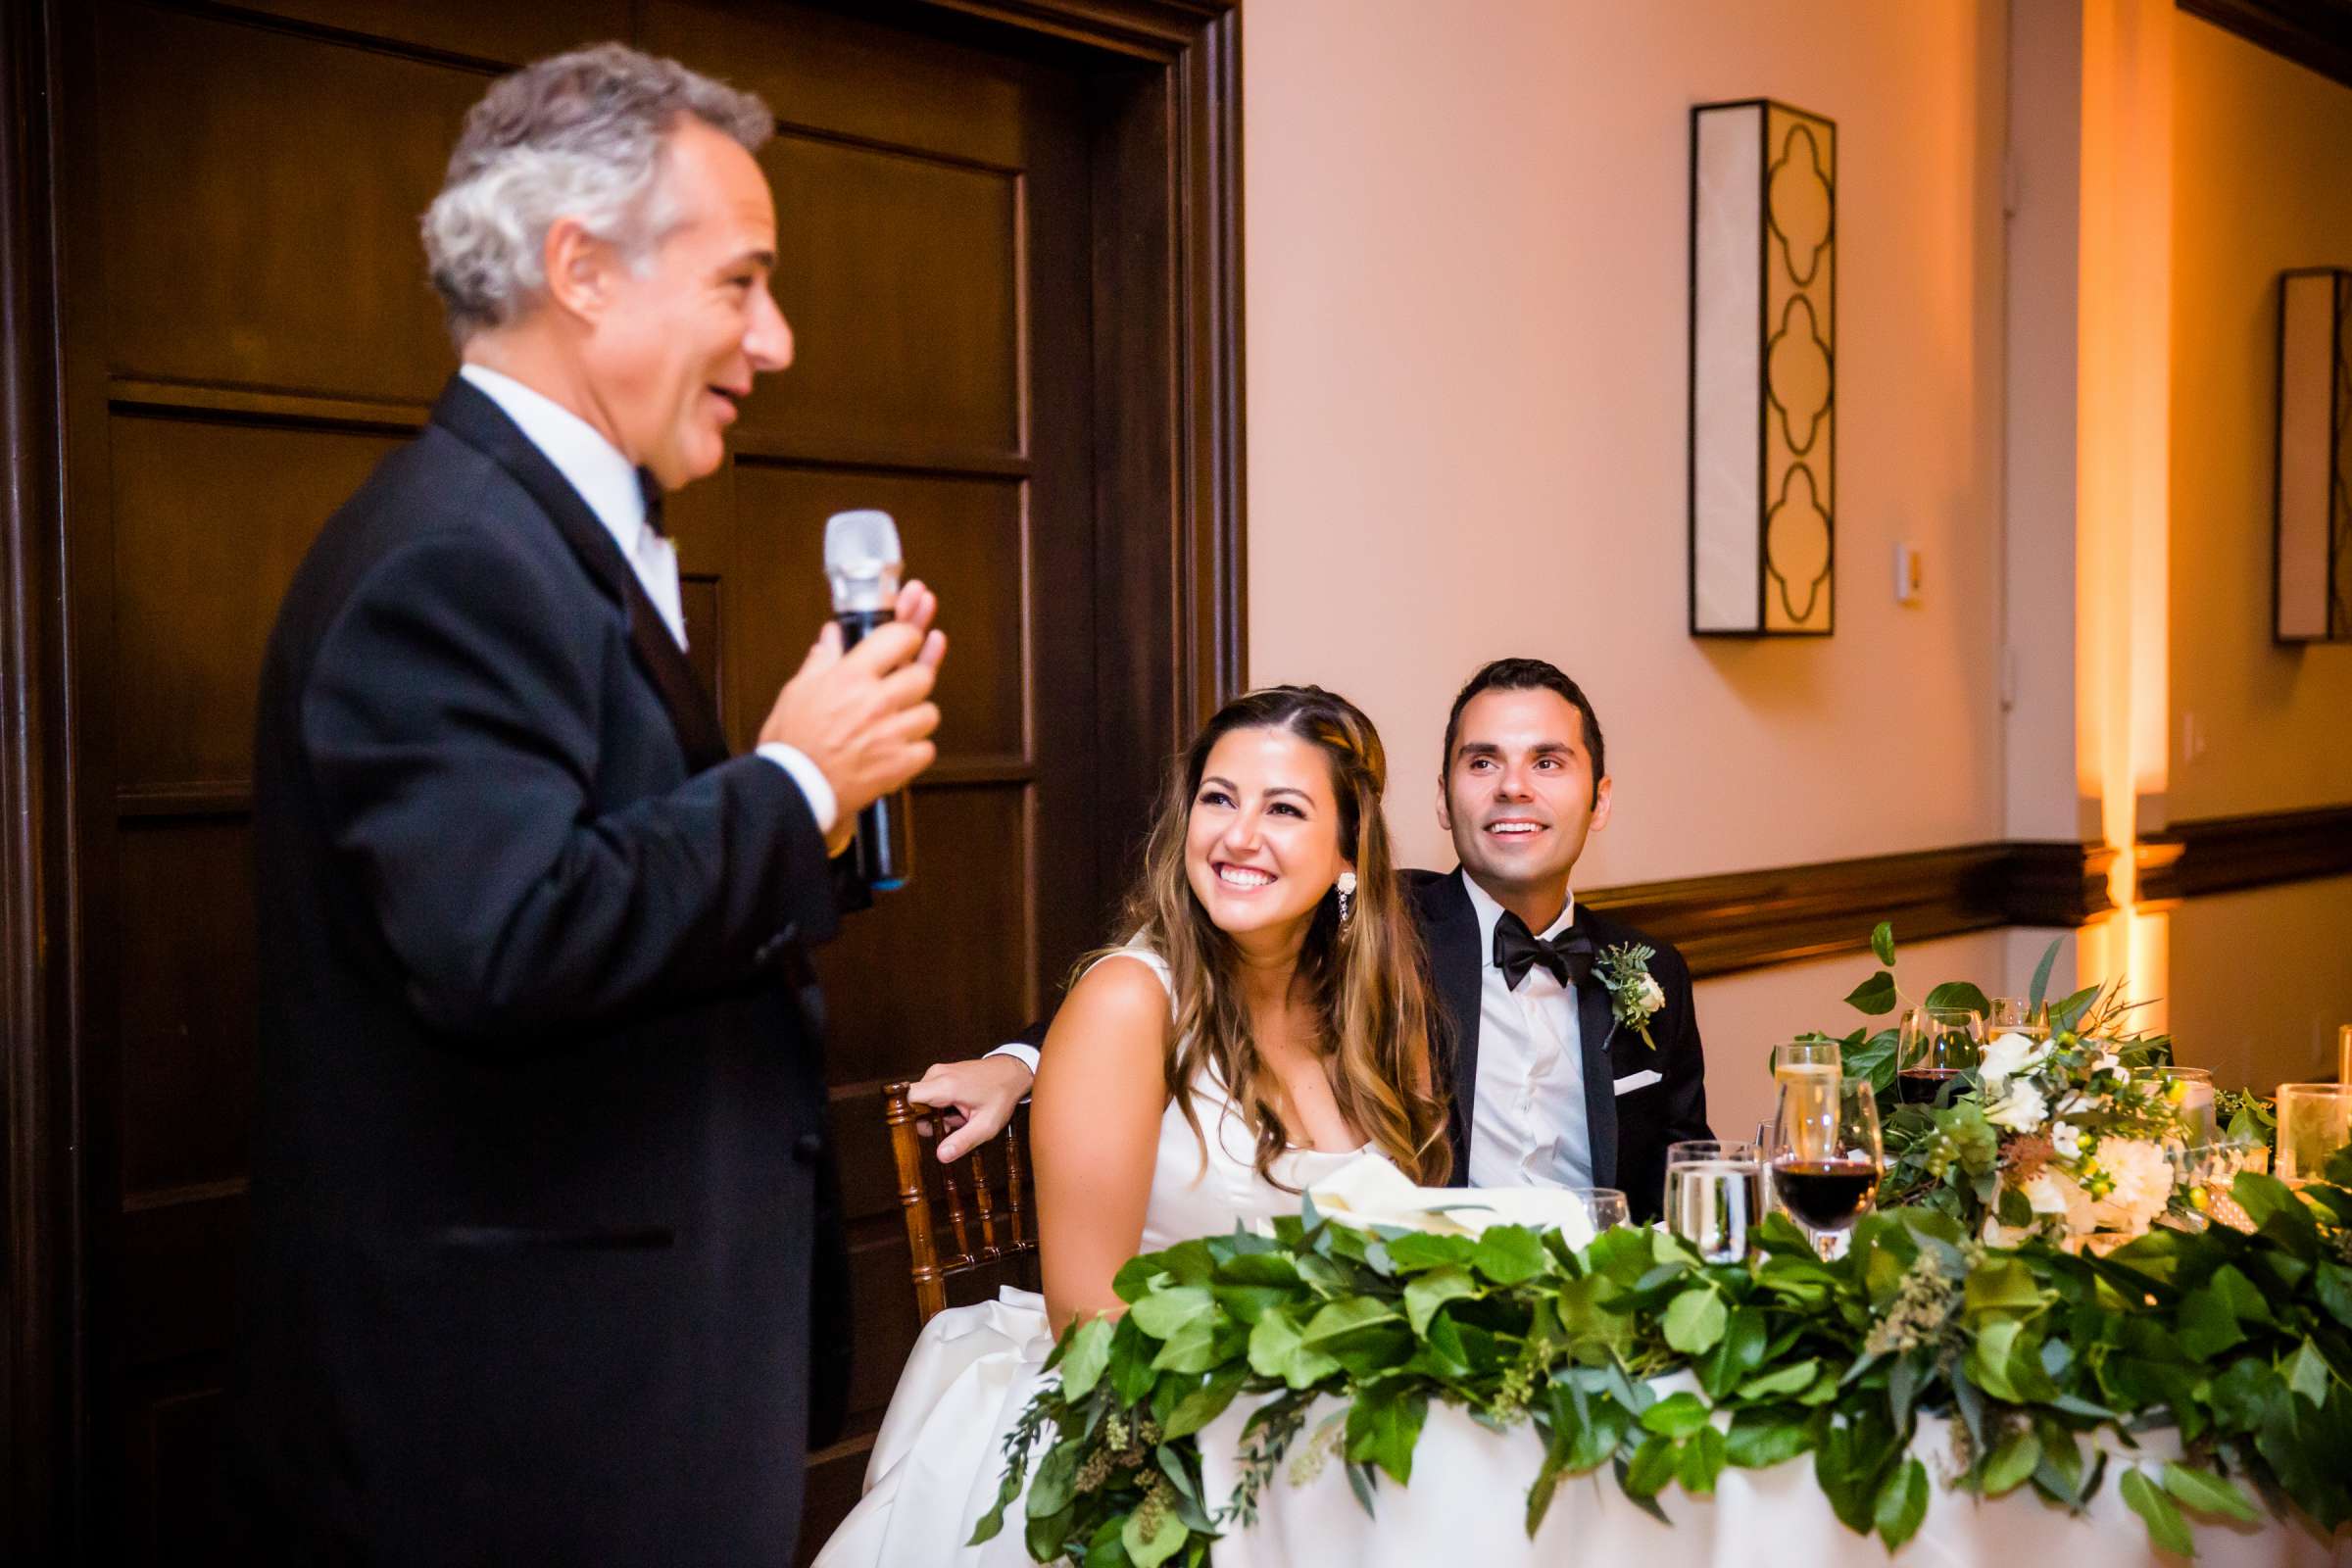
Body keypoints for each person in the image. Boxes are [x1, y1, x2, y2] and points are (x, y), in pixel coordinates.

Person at [230, 45, 945, 1565]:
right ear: (583, 272)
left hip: (620, 1389)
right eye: (743, 283)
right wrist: (797, 780)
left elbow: (606, 873)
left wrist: (807, 807)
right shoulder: (455, 557)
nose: (780, 338)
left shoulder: (550, 529)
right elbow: (507, 937)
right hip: (518, 1432)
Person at [814, 686, 1449, 1566]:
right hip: (1147, 1433)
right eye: (1219, 799)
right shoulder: (1128, 1002)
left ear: (1349, 855)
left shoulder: (1382, 1013)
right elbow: (1092, 1321)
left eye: (1285, 810)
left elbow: (1413, 1245)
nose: (1238, 835)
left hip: (1330, 1429)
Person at [923, 658, 1711, 1220]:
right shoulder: (1379, 926)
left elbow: (1686, 1181)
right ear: (1441, 799)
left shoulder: (1652, 974)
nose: (1514, 787)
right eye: (1482, 762)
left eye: (1548, 761)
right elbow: (1174, 981)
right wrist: (1018, 1064)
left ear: (1599, 799)